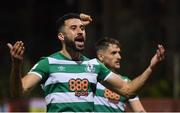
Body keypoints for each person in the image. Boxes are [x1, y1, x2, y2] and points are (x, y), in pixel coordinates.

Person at [7, 13, 165, 112]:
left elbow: (128, 90)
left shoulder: (94, 66)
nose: (80, 31)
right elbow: (18, 92)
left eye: (82, 28)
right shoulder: (48, 63)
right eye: (74, 28)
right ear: (61, 36)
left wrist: (151, 67)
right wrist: (16, 65)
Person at [94, 37, 146, 112]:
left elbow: (140, 111)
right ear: (101, 56)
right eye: (114, 53)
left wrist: (151, 67)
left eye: (119, 53)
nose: (119, 57)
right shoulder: (91, 77)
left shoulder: (126, 82)